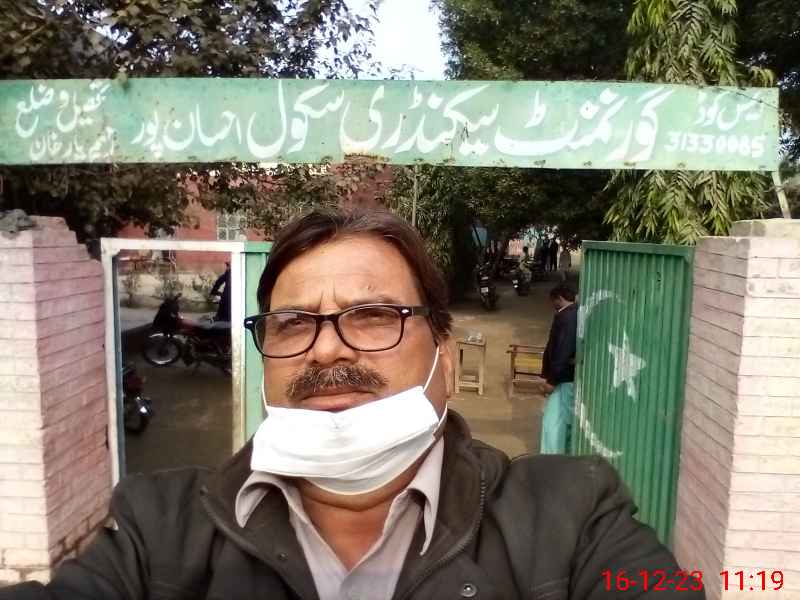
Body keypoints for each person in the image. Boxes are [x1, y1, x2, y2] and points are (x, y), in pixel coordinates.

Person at [0, 209, 703, 600]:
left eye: (373, 316)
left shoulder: (571, 517)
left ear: (447, 359)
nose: (327, 349)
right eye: (293, 323)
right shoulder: (157, 527)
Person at [540, 283, 579, 454]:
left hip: (562, 379)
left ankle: (552, 457)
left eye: (553, 301)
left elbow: (562, 349)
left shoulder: (566, 317)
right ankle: (563, 454)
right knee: (565, 421)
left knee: (553, 422)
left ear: (560, 298)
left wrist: (551, 380)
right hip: (566, 378)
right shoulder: (575, 313)